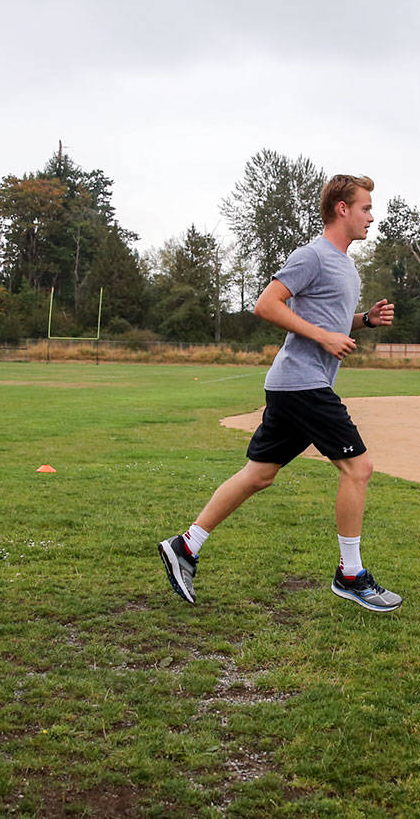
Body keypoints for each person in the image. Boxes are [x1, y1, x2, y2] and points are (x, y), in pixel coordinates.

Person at [158, 174, 403, 612]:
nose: (371, 216)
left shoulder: (346, 265)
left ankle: (186, 545)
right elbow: (266, 304)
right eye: (365, 207)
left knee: (259, 475)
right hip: (302, 382)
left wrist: (364, 319)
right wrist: (325, 339)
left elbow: (330, 320)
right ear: (342, 209)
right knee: (358, 468)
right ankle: (350, 575)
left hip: (296, 385)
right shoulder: (312, 255)